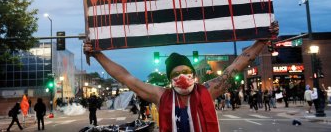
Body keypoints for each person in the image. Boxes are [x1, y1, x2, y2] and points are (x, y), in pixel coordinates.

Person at [84, 22, 278, 131]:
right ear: (170, 79)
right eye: (176, 74)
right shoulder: (160, 96)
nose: (182, 77)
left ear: (194, 74)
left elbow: (238, 64)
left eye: (186, 72)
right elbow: (125, 77)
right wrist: (97, 54)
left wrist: (262, 40)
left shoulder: (208, 91)